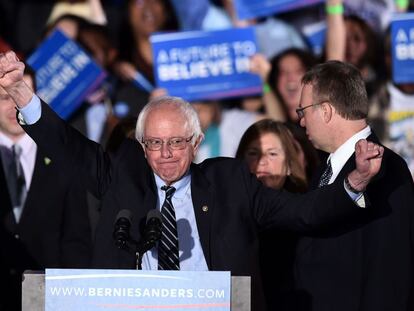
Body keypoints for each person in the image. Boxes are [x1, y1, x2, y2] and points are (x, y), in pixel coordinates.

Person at [0, 51, 383, 311]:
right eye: (154, 143)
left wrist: (353, 184)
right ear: (142, 144)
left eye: (176, 142)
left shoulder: (230, 182)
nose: (165, 153)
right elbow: (68, 147)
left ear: (197, 142)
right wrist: (20, 92)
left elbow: (302, 212)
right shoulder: (123, 178)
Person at [292, 60, 414, 311]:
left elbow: (390, 271)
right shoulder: (324, 169)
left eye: (302, 111)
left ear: (325, 110)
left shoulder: (386, 170)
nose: (301, 122)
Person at [0, 64, 92, 310]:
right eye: (4, 97)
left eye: (20, 94)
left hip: (47, 300)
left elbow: (77, 240)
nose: (13, 105)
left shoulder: (64, 158)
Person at [235, 119, 307, 309]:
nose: (262, 161)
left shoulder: (305, 214)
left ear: (290, 165)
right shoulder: (228, 214)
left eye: (272, 153)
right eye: (253, 153)